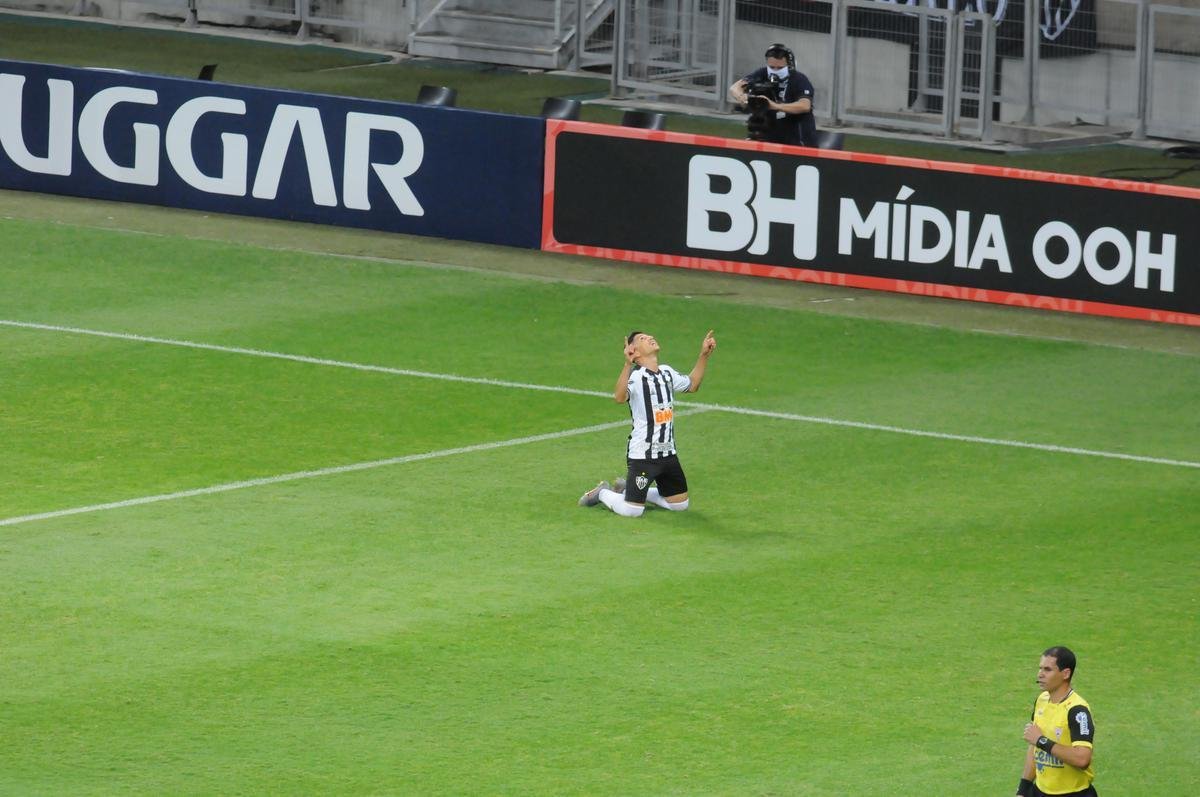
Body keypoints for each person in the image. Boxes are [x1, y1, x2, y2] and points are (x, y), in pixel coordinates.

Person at [579, 329, 716, 518]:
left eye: (650, 335)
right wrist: (627, 364)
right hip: (643, 454)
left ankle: (629, 489)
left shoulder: (666, 373)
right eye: (643, 339)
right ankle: (602, 493)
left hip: (668, 453)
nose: (650, 337)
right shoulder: (636, 377)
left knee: (680, 505)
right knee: (633, 511)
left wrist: (703, 355)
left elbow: (692, 384)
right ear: (635, 352)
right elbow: (619, 397)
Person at [1016, 646, 1097, 797]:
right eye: (1040, 668)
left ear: (1065, 673)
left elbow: (1082, 758)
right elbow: (1034, 748)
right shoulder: (1042, 700)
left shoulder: (1077, 710)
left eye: (1047, 669)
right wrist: (1024, 789)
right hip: (1040, 792)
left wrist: (1041, 741)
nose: (1040, 674)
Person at [728, 43, 817, 147]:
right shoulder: (762, 74)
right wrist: (743, 98)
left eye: (780, 68)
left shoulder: (799, 80)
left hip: (797, 140)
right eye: (771, 67)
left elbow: (804, 106)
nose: (775, 71)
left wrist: (773, 105)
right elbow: (735, 87)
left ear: (789, 66)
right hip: (769, 135)